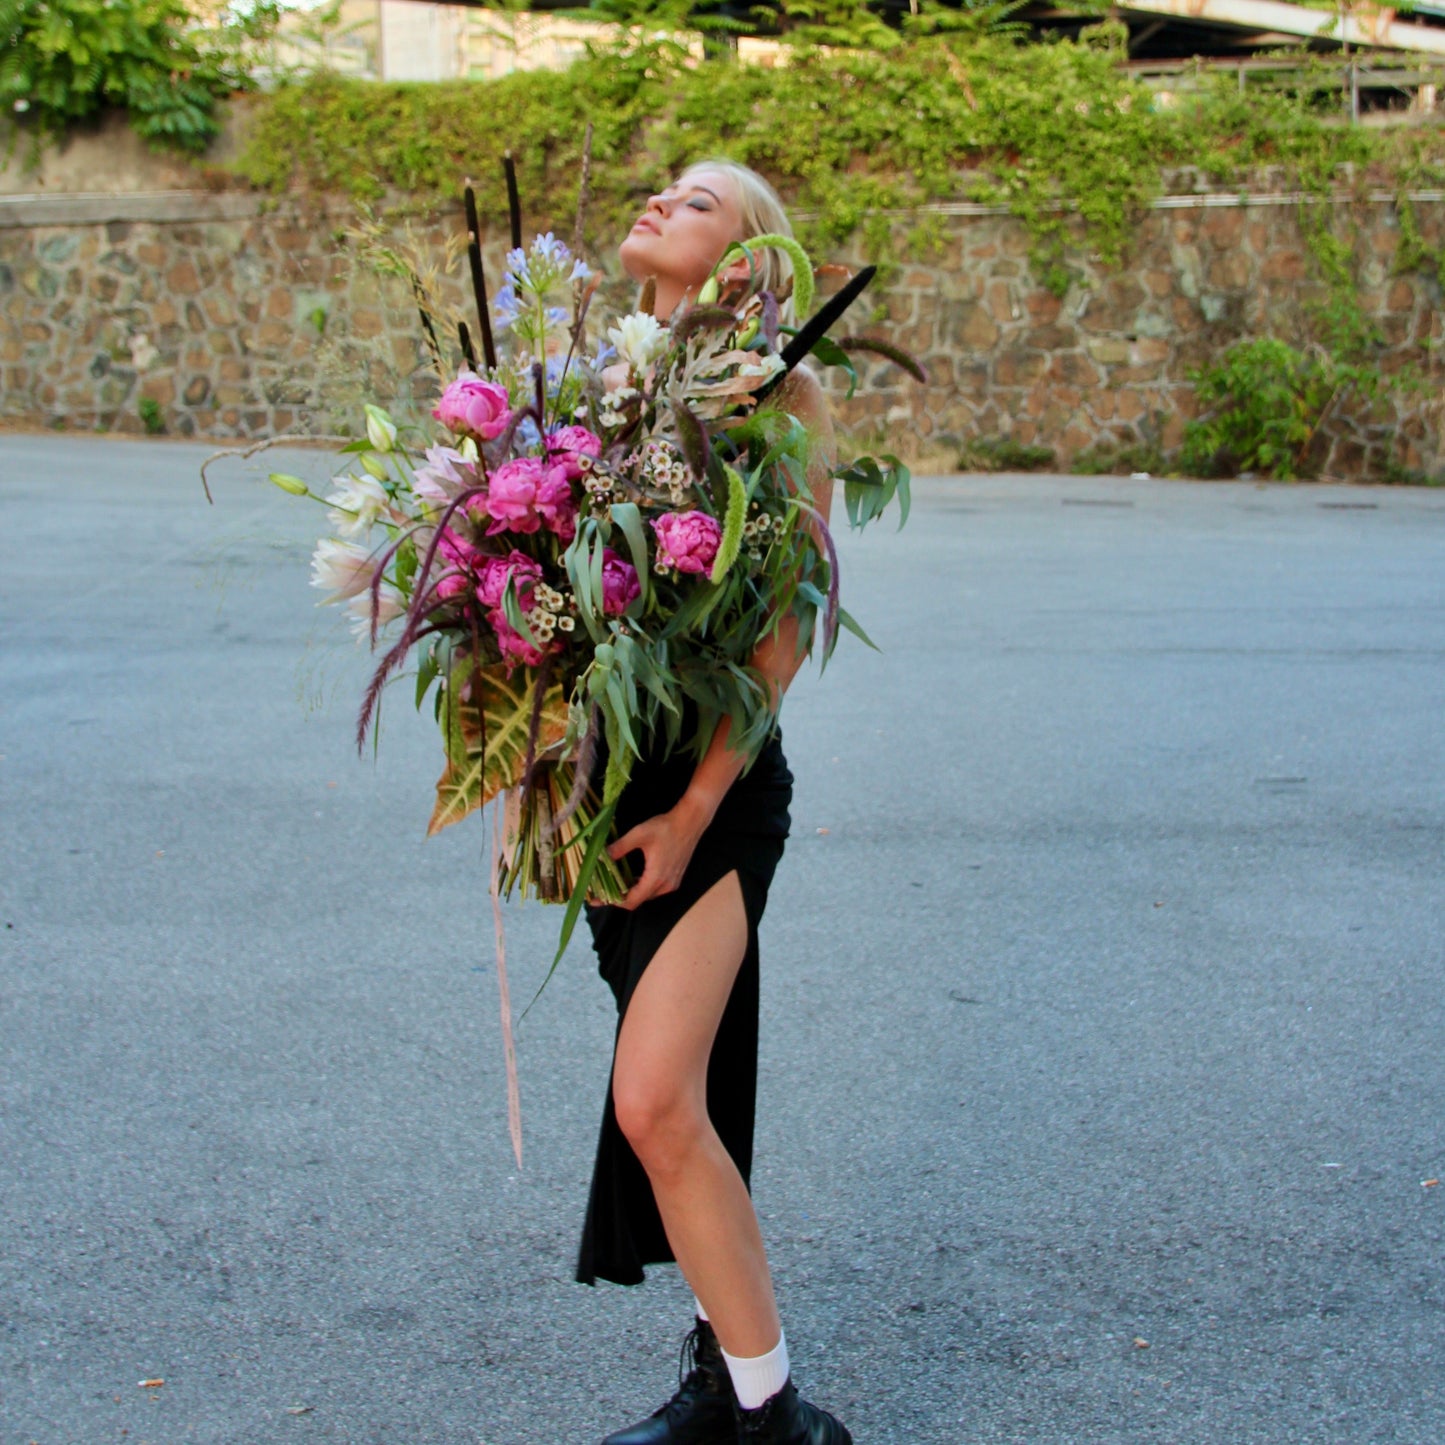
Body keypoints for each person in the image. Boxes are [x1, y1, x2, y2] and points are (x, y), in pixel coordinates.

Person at [577, 160, 852, 1445]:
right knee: (687, 1098)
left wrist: (691, 812)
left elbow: (778, 640)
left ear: (744, 262)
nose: (657, 202)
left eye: (695, 201)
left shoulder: (779, 393)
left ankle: (778, 1415)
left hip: (712, 790)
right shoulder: (593, 386)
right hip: (606, 785)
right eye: (660, 188)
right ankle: (727, 1381)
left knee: (651, 1097)